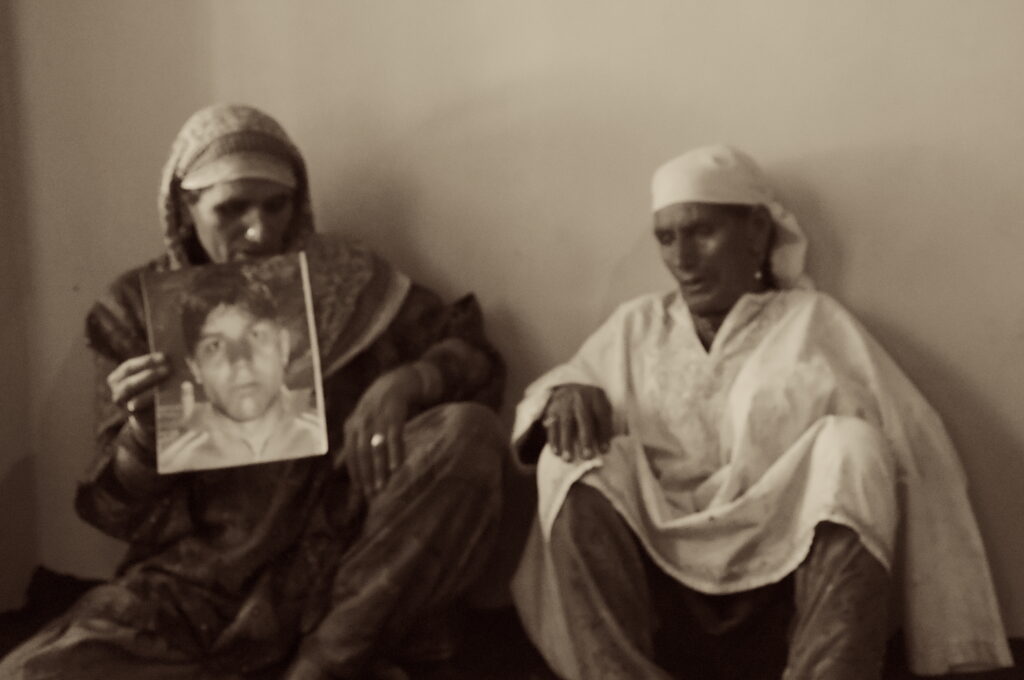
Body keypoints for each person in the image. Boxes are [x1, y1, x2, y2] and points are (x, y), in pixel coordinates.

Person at [0, 104, 507, 680]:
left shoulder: (350, 282)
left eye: (276, 205)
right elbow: (119, 511)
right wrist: (144, 433)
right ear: (186, 209)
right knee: (32, 674)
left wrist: (408, 382)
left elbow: (474, 357)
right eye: (231, 209)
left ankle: (321, 666)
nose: (259, 231)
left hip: (344, 566)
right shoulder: (136, 312)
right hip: (202, 584)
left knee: (467, 431)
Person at [509, 145, 1010, 679]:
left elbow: (916, 444)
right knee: (571, 456)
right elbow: (553, 404)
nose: (683, 259)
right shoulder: (636, 326)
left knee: (855, 446)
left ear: (756, 233)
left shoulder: (814, 323)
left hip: (786, 596)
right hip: (659, 597)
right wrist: (565, 393)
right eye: (666, 237)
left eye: (702, 232)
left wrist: (957, 627)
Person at [161, 265, 325, 473]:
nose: (240, 361)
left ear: (283, 347)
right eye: (215, 346)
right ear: (195, 368)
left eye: (256, 336)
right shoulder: (176, 462)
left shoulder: (325, 437)